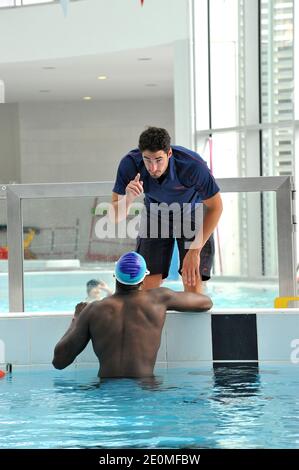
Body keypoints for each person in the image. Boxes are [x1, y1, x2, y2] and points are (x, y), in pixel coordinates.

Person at [52, 252, 212, 378]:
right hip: (146, 390)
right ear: (143, 278)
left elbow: (59, 362)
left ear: (115, 276)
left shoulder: (94, 310)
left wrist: (76, 319)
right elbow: (206, 303)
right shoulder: (159, 299)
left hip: (107, 395)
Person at [111, 127, 223, 294]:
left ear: (169, 154)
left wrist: (194, 251)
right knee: (147, 289)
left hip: (192, 212)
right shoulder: (129, 164)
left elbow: (216, 207)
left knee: (193, 285)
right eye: (147, 160)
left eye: (158, 160)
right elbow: (114, 218)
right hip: (155, 213)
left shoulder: (193, 166)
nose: (153, 167)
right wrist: (127, 199)